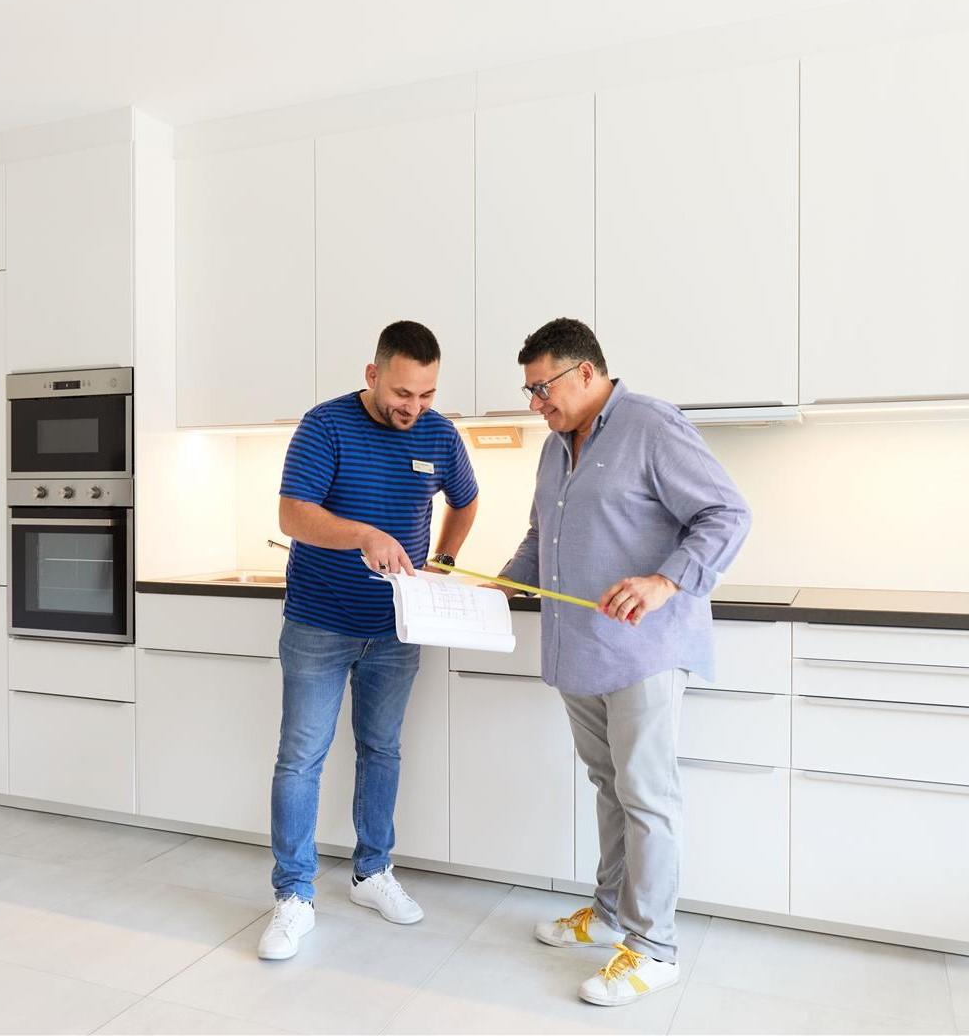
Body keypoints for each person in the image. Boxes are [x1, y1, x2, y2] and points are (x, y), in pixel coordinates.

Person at [498, 318, 750, 1007]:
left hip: (644, 652)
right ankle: (609, 915)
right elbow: (539, 537)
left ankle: (655, 946)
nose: (534, 402)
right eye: (528, 390)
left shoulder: (650, 425)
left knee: (647, 798)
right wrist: (499, 585)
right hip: (578, 650)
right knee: (609, 786)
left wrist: (664, 580)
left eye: (541, 387)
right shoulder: (554, 446)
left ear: (586, 373)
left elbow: (727, 514)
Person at [257, 320, 479, 961]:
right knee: (301, 758)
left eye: (427, 394)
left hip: (396, 630)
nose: (414, 407)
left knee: (381, 749)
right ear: (373, 374)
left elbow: (464, 501)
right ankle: (294, 896)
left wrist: (446, 557)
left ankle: (371, 872)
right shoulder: (325, 425)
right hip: (318, 624)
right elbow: (292, 513)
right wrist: (362, 534)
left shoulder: (439, 434)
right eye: (404, 392)